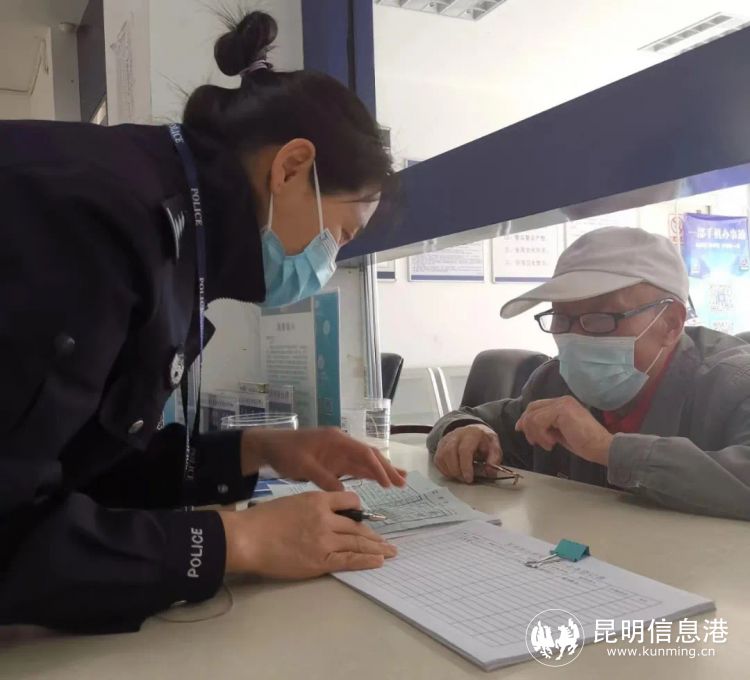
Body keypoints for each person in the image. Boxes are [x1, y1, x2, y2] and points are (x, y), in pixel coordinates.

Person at [0, 11, 406, 634]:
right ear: (291, 167)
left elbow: (80, 464)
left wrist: (258, 451)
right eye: (341, 235)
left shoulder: (163, 220)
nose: (328, 262)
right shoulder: (96, 221)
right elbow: (13, 536)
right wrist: (239, 541)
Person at [429, 227, 750, 521]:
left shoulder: (733, 383)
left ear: (671, 323)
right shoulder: (555, 382)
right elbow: (478, 419)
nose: (576, 339)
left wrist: (607, 449)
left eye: (600, 319)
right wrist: (465, 430)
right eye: (561, 318)